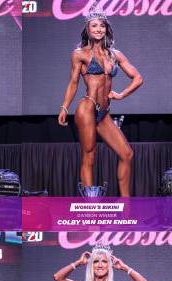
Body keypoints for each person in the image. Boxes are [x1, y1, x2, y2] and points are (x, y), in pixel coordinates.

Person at [57, 4, 143, 197]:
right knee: (89, 155)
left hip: (104, 113)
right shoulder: (80, 54)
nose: (98, 29)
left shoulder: (115, 54)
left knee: (127, 154)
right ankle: (91, 205)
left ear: (106, 29)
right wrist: (64, 107)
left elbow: (138, 78)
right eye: (94, 25)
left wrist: (121, 94)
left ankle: (126, 204)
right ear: (88, 29)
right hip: (87, 107)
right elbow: (73, 83)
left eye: (102, 26)